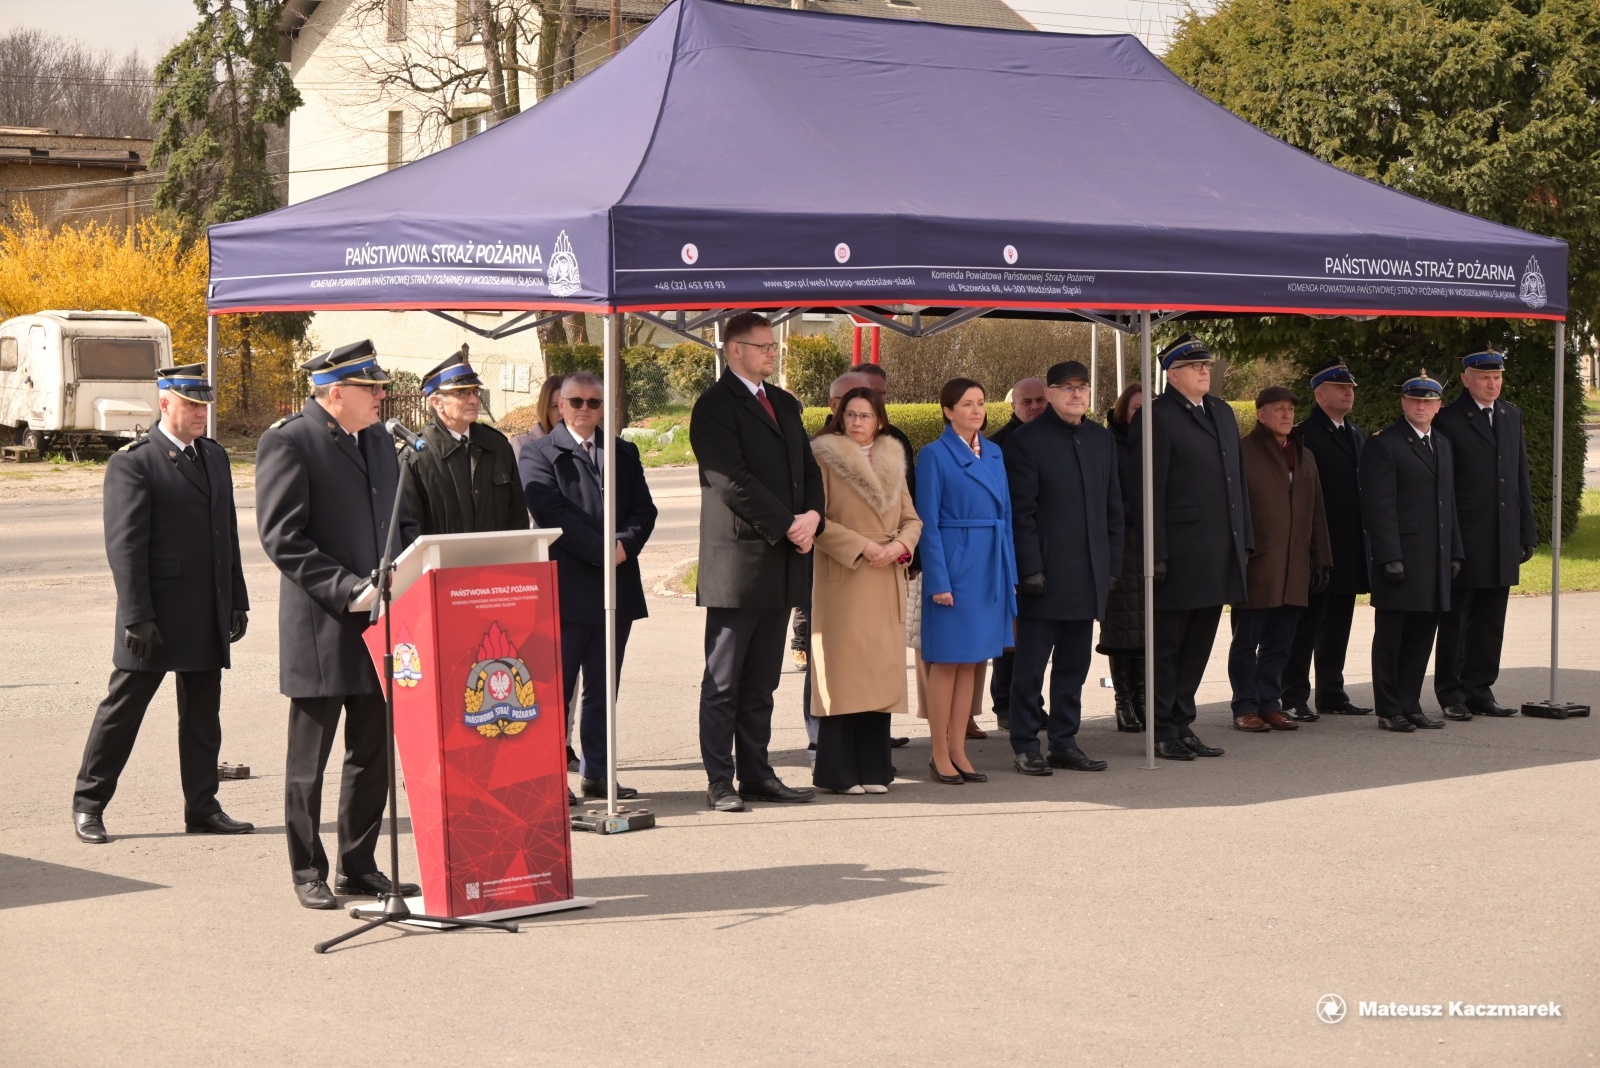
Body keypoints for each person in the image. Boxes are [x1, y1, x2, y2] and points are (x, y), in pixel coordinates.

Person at [256, 340, 421, 909]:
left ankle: (360, 863)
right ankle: (307, 869)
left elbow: (397, 518)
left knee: (371, 753)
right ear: (334, 394)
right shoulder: (288, 442)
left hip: (381, 624)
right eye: (370, 387)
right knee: (310, 762)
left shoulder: (378, 439)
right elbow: (283, 538)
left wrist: (406, 568)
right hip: (323, 627)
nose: (381, 395)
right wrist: (349, 587)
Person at [72, 363, 252, 845]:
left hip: (205, 607)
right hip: (153, 613)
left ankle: (202, 806)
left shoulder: (213, 457)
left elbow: (225, 534)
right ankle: (89, 804)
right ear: (165, 402)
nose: (200, 413)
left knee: (202, 715)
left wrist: (237, 597)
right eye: (191, 404)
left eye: (204, 405)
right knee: (123, 709)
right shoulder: (134, 462)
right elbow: (125, 547)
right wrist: (136, 615)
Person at [690, 312, 825, 812]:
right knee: (724, 680)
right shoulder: (714, 406)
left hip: (784, 560)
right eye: (762, 346)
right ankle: (720, 780)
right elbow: (729, 479)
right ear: (734, 350)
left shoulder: (785, 404)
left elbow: (808, 470)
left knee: (763, 679)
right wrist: (787, 523)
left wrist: (813, 515)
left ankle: (757, 772)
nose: (772, 353)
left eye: (773, 346)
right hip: (740, 563)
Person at [524, 371, 659, 800]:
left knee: (603, 689)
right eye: (576, 402)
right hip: (566, 588)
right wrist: (603, 551)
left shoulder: (622, 450)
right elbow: (550, 512)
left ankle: (598, 772)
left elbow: (644, 509)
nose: (585, 410)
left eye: (594, 403)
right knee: (556, 691)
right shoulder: (539, 453)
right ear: (559, 406)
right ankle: (550, 778)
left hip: (615, 587)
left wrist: (624, 545)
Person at [1131, 335, 1251, 761]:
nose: (1205, 371)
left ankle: (1183, 723)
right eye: (1196, 366)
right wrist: (1156, 552)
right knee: (1167, 647)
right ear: (1173, 373)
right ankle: (1161, 728)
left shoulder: (1221, 411)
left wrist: (1245, 539)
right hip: (1179, 553)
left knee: (1199, 644)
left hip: (1218, 550)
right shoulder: (1156, 417)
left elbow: (1236, 483)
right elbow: (1148, 493)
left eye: (1207, 365)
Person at [1005, 361, 1123, 775]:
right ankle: (1024, 743)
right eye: (1067, 388)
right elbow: (1022, 513)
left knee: (1075, 665)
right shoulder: (1026, 441)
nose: (1076, 394)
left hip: (1088, 574)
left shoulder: (1100, 440)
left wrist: (1112, 563)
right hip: (1045, 577)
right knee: (1031, 667)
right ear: (1050, 394)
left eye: (1082, 387)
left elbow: (1114, 508)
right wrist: (1030, 568)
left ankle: (1064, 741)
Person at [807, 387, 922, 794]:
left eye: (865, 415)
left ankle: (875, 769)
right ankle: (837, 774)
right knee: (844, 676)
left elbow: (912, 517)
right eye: (850, 414)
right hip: (847, 576)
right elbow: (815, 519)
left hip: (886, 572)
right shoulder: (824, 456)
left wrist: (900, 545)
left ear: (880, 421)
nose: (857, 422)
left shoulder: (893, 456)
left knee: (879, 676)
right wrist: (862, 546)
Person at [916, 377, 1017, 785]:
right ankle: (939, 751)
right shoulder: (933, 455)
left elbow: (1006, 518)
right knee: (947, 662)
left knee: (973, 662)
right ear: (947, 411)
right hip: (955, 571)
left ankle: (958, 748)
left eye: (980, 403)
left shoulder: (993, 452)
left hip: (990, 567)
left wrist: (1008, 572)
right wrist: (939, 579)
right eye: (967, 404)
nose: (976, 410)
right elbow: (928, 523)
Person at [1431, 349, 1537, 720]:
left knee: (1491, 619)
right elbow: (1444, 488)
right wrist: (1451, 543)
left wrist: (1527, 530)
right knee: (1457, 618)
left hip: (1502, 535)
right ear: (1466, 379)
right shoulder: (1448, 420)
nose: (1492, 384)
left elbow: (1519, 477)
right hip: (1467, 536)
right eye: (1484, 378)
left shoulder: (1510, 415)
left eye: (1497, 378)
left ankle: (1480, 688)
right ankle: (1451, 691)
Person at [1360, 370, 1464, 732]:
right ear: (1404, 403)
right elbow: (1378, 506)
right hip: (1401, 558)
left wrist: (1455, 551)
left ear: (1438, 406)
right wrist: (1388, 555)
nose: (1422, 406)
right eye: (1415, 400)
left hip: (1433, 558)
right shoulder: (1384, 444)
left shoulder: (1443, 444)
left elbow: (1447, 503)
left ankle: (1411, 703)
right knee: (1392, 638)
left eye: (1429, 401)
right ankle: (1389, 709)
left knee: (1422, 636)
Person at [1227, 387, 1332, 733]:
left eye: (1290, 409)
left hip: (1295, 566)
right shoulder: (1242, 452)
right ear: (1260, 414)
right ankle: (1245, 705)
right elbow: (1233, 509)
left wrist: (1321, 560)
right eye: (1278, 409)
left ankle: (1270, 703)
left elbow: (1316, 511)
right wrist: (1238, 554)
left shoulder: (1305, 455)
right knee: (1247, 640)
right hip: (1257, 564)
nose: (1286, 415)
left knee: (1280, 641)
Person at [1282, 362, 1372, 720]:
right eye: (1339, 387)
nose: (1348, 392)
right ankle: (1292, 695)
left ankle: (1331, 692)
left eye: (1349, 387)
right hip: (1316, 545)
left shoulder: (1357, 434)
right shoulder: (1305, 435)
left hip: (1348, 544)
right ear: (1320, 395)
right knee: (1306, 626)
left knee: (1339, 624)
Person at [793, 371, 872, 678]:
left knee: (865, 659)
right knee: (825, 659)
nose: (856, 414)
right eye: (848, 405)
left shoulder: (886, 449)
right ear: (832, 404)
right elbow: (813, 510)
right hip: (829, 560)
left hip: (875, 565)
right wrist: (862, 545)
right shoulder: (818, 449)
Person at [403, 348, 529, 536]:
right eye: (462, 393)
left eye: (475, 391)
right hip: (442, 564)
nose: (473, 399)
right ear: (437, 403)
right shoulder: (415, 456)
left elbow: (517, 518)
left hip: (497, 562)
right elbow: (409, 529)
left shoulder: (498, 446)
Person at [985, 376, 1048, 732]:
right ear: (1013, 406)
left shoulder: (1053, 438)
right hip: (1009, 551)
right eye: (1028, 402)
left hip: (1044, 550)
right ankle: (1006, 705)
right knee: (1010, 637)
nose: (1036, 407)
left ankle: (1030, 702)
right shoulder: (999, 446)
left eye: (1041, 400)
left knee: (1035, 638)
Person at [1097, 382, 1146, 732]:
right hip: (1120, 545)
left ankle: (1144, 696)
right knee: (1121, 629)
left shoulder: (1159, 443)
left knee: (1148, 628)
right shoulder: (1109, 445)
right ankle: (1123, 700)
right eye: (1137, 410)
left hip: (1153, 545)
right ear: (1122, 411)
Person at [513, 373, 565, 487]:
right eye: (556, 406)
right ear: (545, 408)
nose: (563, 413)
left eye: (568, 406)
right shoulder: (520, 445)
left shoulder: (586, 446)